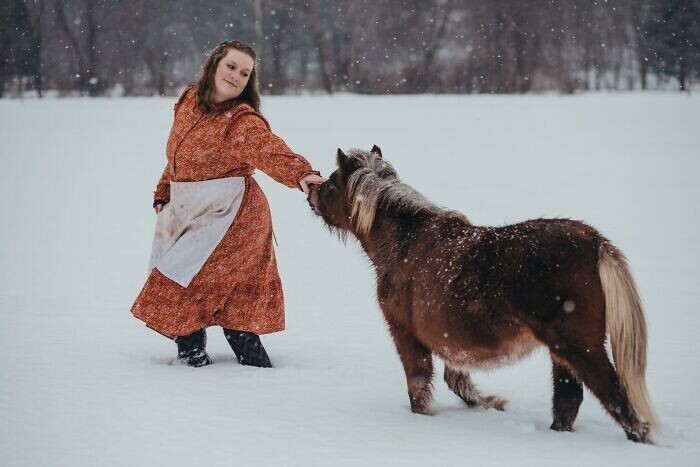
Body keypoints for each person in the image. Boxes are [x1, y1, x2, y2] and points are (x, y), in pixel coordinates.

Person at [131, 40, 325, 368]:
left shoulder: (240, 120)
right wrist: (165, 189)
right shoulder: (189, 99)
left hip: (234, 217)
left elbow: (270, 150)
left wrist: (303, 175)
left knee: (201, 286)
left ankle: (244, 378)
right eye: (231, 67)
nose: (236, 76)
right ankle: (195, 363)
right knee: (185, 280)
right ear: (214, 65)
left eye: (245, 73)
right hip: (192, 211)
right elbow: (178, 156)